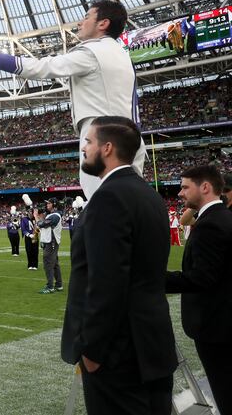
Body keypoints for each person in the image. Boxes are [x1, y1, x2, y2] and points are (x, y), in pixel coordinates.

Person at [0, 0, 144, 200]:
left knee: (104, 206)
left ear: (103, 23)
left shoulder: (91, 52)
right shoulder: (123, 55)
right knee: (130, 205)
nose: (80, 23)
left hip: (102, 137)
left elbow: (39, 68)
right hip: (132, 139)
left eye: (86, 17)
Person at [61, 116, 176, 415]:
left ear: (107, 148)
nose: (83, 149)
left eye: (88, 141)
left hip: (118, 354)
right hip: (152, 344)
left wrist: (93, 351)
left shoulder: (109, 197)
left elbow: (107, 282)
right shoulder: (148, 195)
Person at [166, 165, 232, 415]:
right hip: (222, 324)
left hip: (217, 327)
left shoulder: (211, 223)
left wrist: (153, 280)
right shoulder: (220, 217)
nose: (180, 193)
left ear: (205, 187)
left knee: (225, 391)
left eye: (185, 186)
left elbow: (202, 278)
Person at [36, 198, 63, 294]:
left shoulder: (55, 216)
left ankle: (50, 286)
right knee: (55, 264)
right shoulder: (53, 215)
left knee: (48, 264)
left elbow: (42, 224)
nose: (47, 204)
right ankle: (59, 285)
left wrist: (37, 217)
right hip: (51, 242)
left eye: (49, 203)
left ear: (54, 205)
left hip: (51, 242)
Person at [20, 205, 38, 271]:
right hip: (28, 237)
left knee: (35, 251)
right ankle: (30, 264)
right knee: (29, 251)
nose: (30, 213)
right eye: (29, 211)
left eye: (32, 211)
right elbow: (23, 229)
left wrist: (36, 233)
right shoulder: (24, 219)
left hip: (35, 236)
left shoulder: (36, 218)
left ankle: (35, 265)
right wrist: (29, 235)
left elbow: (39, 226)